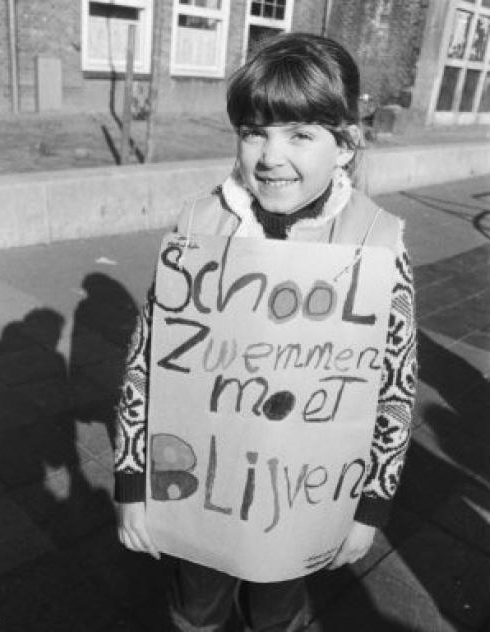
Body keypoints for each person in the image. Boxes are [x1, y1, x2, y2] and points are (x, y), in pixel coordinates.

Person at [114, 33, 417, 632]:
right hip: (199, 487)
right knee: (196, 604)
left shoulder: (378, 242)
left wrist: (369, 509)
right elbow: (146, 362)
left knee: (275, 611)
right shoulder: (200, 224)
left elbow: (394, 390)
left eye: (300, 134)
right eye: (255, 132)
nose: (270, 156)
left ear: (345, 145)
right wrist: (131, 482)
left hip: (301, 499)